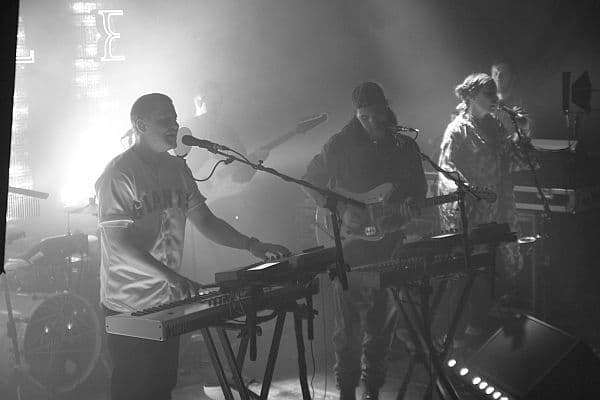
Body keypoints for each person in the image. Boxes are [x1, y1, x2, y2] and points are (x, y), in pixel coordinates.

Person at [95, 93, 289, 400]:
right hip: (128, 305)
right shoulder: (119, 174)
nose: (174, 125)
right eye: (164, 120)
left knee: (162, 386)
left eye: (174, 118)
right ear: (140, 125)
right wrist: (172, 277)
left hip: (167, 300)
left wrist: (253, 245)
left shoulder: (178, 169)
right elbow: (118, 244)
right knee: (134, 389)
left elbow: (206, 221)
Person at [302, 82, 427, 400]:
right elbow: (310, 180)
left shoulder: (403, 145)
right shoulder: (340, 143)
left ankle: (373, 389)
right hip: (351, 246)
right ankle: (346, 390)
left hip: (390, 241)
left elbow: (418, 188)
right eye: (364, 117)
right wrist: (340, 208)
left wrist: (412, 202)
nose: (371, 122)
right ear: (356, 114)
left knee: (383, 323)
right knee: (349, 327)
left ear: (387, 109)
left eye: (376, 115)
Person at [437, 73, 534, 348]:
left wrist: (522, 132)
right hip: (471, 213)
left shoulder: (495, 127)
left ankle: (476, 332)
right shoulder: (458, 130)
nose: (495, 98)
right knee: (467, 276)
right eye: (488, 93)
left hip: (498, 210)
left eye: (495, 93)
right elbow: (446, 170)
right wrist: (469, 192)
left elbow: (518, 162)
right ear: (471, 96)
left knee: (493, 272)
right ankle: (454, 338)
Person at [180, 81, 269, 201]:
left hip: (222, 202)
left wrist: (255, 161)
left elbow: (242, 175)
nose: (216, 107)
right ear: (199, 101)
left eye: (218, 102)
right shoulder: (184, 130)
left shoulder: (228, 132)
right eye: (212, 102)